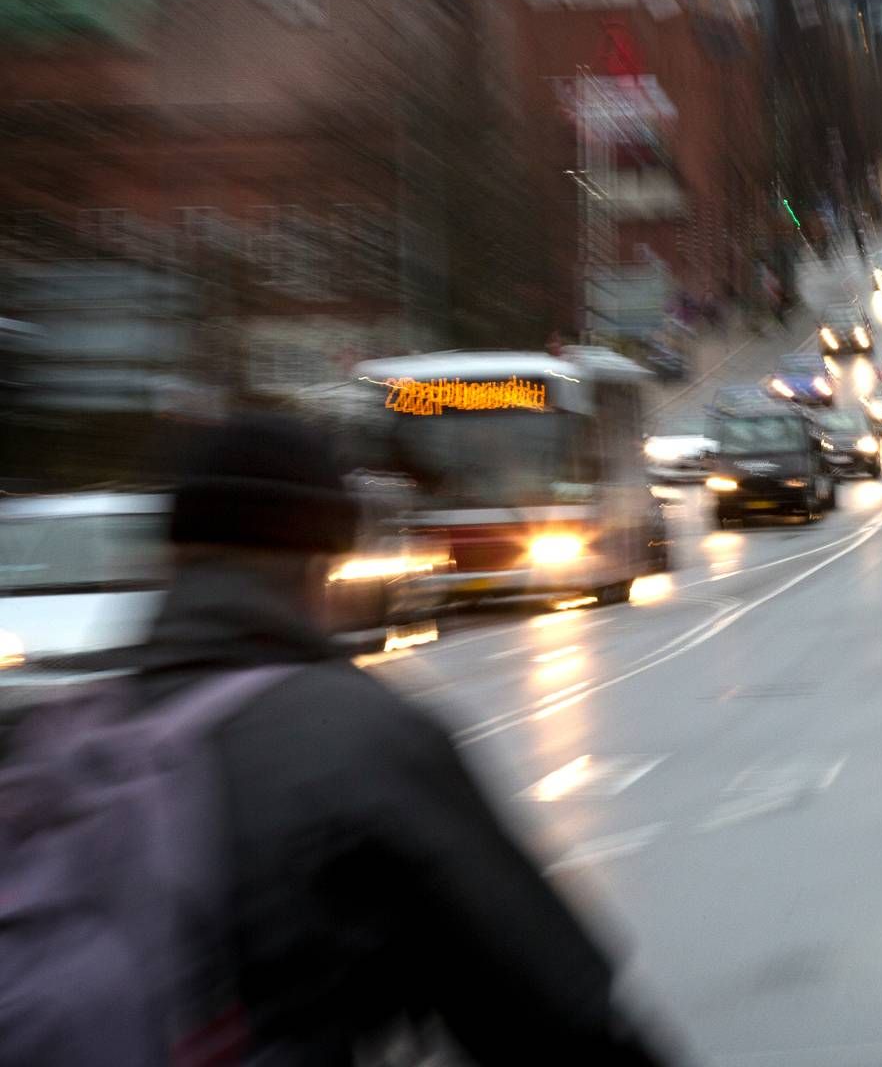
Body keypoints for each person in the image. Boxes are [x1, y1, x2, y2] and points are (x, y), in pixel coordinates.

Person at [129, 414, 681, 1064]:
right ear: (324, 559)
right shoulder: (356, 736)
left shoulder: (61, 734)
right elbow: (547, 1000)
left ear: (169, 554)